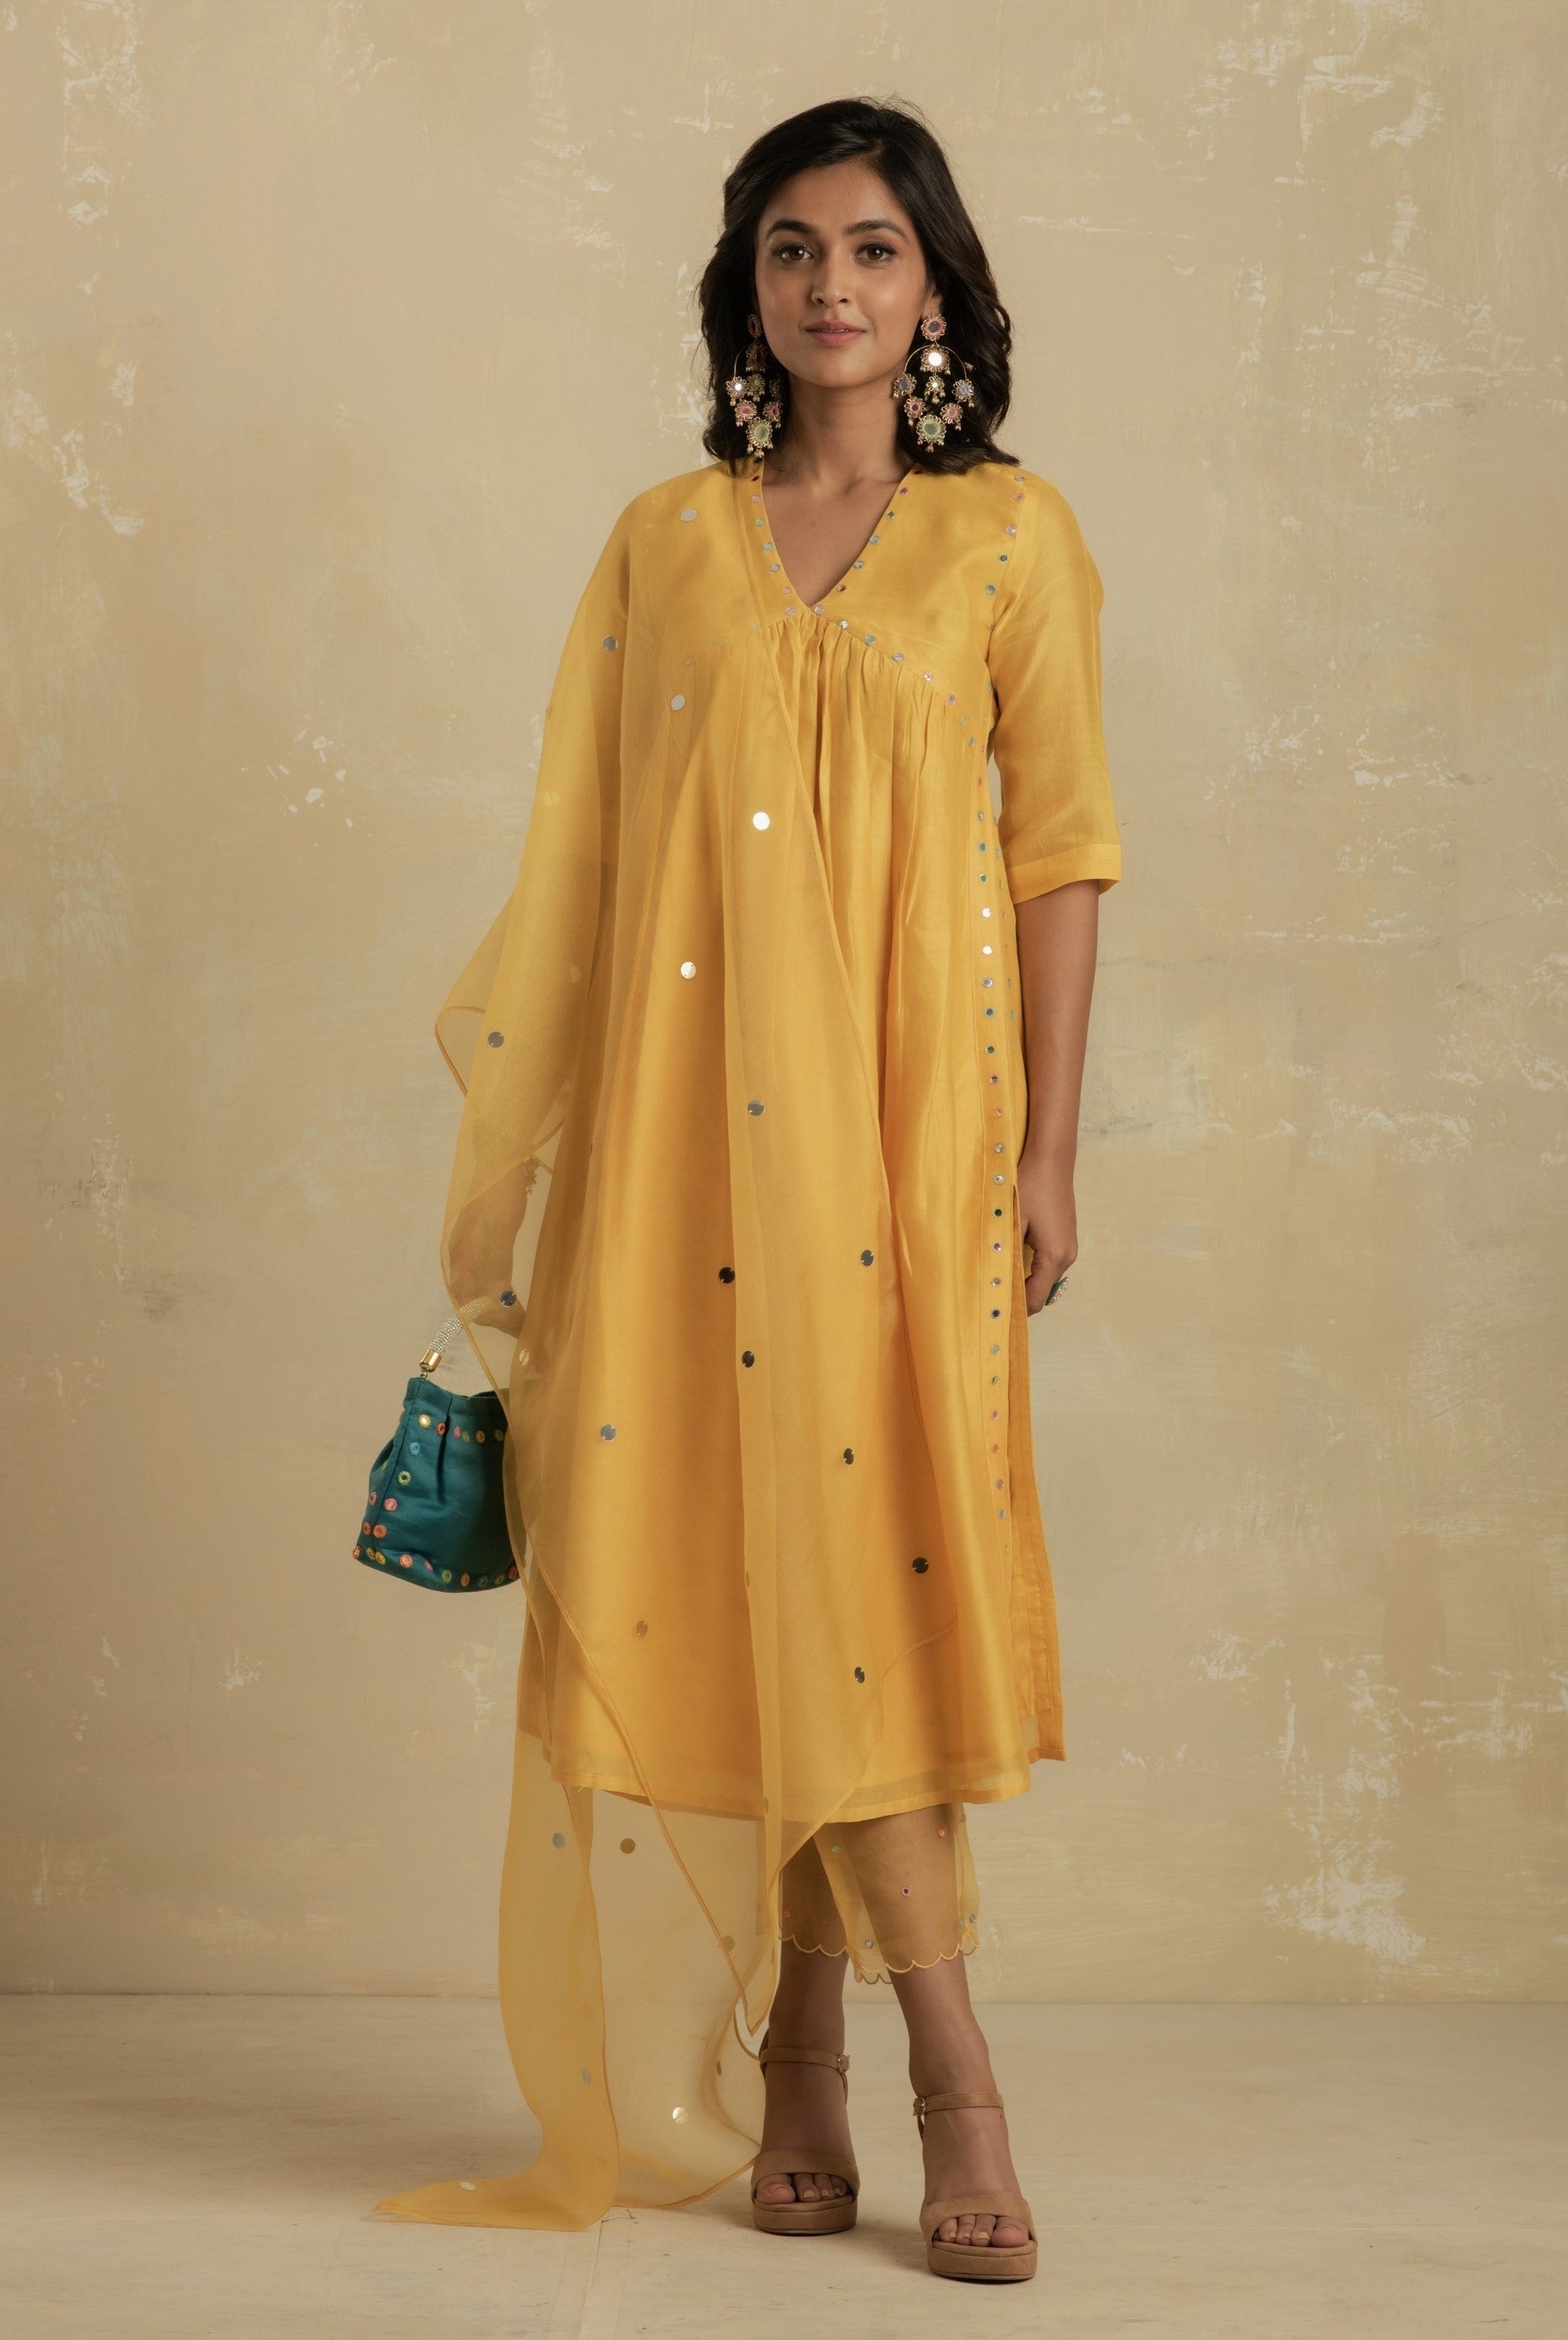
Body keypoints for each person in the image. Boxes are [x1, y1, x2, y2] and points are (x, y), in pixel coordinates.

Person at [380, 96, 1121, 2287]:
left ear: (934, 285)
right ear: (746, 290)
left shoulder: (1007, 540)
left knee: (864, 1561)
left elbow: (1061, 853)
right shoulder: (664, 544)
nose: (830, 286)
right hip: (685, 1147)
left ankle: (926, 2066)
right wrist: (540, 1172)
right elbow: (589, 872)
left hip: (907, 1145)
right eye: (791, 248)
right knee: (744, 1564)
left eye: (872, 248)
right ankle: (821, 2051)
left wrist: (1047, 1148)